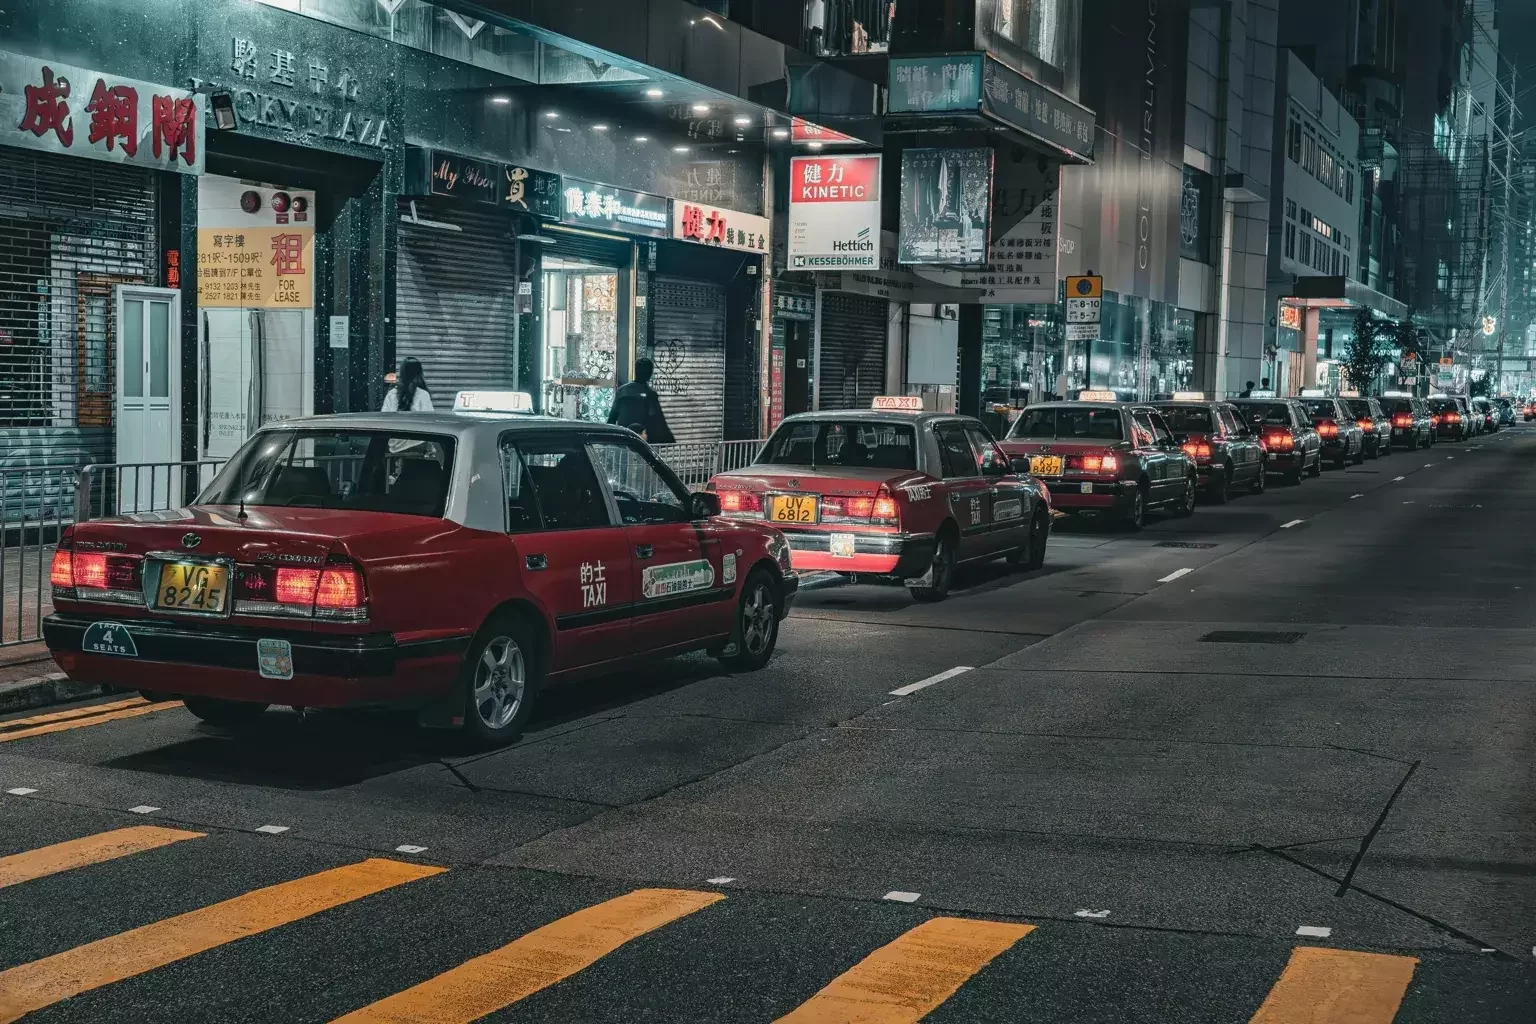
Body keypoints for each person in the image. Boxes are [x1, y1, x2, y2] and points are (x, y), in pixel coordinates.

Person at [607, 357, 675, 443]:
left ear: (636, 371)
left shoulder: (622, 390)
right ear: (650, 373)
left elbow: (612, 417)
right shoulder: (650, 393)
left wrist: (608, 438)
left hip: (624, 439)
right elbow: (657, 420)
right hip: (643, 442)